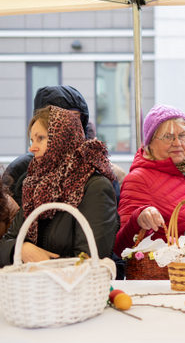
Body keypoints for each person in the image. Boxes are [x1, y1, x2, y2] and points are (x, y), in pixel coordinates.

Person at [0, 106, 118, 266]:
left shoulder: (95, 188)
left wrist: (43, 263)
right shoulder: (36, 186)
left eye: (40, 138)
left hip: (74, 288)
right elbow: (6, 242)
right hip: (34, 288)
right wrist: (21, 249)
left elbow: (89, 260)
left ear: (62, 139)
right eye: (31, 140)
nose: (32, 148)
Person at [113, 105, 185, 257]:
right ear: (150, 143)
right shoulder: (138, 179)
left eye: (182, 135)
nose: (177, 143)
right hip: (171, 273)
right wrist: (138, 220)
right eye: (168, 137)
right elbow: (121, 246)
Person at [2, 85, 90, 207]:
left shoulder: (93, 169)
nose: (69, 125)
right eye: (58, 120)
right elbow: (13, 221)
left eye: (75, 118)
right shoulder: (21, 170)